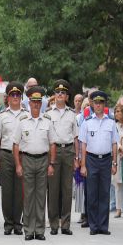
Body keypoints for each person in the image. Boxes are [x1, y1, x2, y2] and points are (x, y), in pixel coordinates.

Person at [13, 86, 57, 240]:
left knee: (40, 196)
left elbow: (52, 144)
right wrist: (18, 165)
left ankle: (39, 230)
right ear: (29, 103)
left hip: (43, 160)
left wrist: (51, 164)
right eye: (33, 102)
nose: (36, 104)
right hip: (27, 160)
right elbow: (16, 145)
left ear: (41, 103)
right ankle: (28, 230)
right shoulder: (23, 121)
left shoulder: (47, 121)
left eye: (39, 102)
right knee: (28, 196)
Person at [79, 90, 118, 235]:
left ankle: (103, 226)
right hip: (91, 159)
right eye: (96, 103)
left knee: (104, 193)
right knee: (92, 194)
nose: (98, 105)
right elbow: (83, 145)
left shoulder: (111, 122)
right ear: (92, 105)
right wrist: (83, 165)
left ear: (104, 104)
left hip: (106, 159)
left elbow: (114, 144)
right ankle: (94, 226)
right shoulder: (87, 123)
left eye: (101, 103)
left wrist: (114, 163)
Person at [47, 79, 79, 235]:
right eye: (58, 92)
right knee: (53, 190)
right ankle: (53, 224)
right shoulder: (48, 114)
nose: (60, 94)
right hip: (54, 151)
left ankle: (65, 224)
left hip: (68, 152)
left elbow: (76, 138)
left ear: (67, 97)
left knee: (67, 189)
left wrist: (77, 158)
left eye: (63, 93)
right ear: (54, 95)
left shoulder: (72, 114)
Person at [0, 82, 28, 235]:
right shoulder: (2, 115)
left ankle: (18, 223)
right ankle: (8, 223)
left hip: (22, 155)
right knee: (7, 191)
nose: (15, 97)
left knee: (20, 191)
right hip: (6, 154)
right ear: (8, 98)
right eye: (12, 95)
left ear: (21, 97)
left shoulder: (26, 115)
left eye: (18, 95)